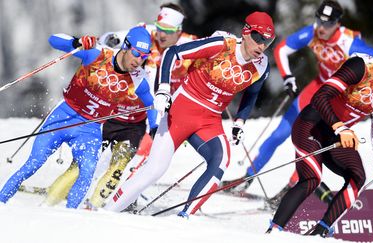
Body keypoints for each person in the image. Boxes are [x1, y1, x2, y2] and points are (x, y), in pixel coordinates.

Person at [104, 11, 275, 217]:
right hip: (183, 108)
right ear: (246, 32)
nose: (261, 46)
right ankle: (106, 212)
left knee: (221, 161)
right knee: (154, 170)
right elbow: (171, 53)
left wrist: (239, 121)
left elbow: (252, 93)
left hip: (210, 120)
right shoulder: (222, 45)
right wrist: (164, 89)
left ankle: (184, 218)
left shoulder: (262, 65)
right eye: (258, 38)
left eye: (268, 41)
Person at [223, 0, 373, 208]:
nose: (322, 27)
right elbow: (281, 50)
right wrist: (288, 78)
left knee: (311, 145)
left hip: (338, 101)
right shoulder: (313, 32)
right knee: (279, 134)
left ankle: (289, 189)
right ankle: (246, 178)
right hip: (315, 90)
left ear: (338, 23)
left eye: (328, 23)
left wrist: (371, 94)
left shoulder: (349, 42)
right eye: (319, 21)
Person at [266, 29, 373, 236]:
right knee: (311, 179)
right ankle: (273, 232)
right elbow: (320, 97)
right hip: (311, 124)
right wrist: (340, 127)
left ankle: (321, 232)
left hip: (336, 135)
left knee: (357, 177)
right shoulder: (360, 65)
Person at [42, 3, 197, 209]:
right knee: (83, 163)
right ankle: (51, 199)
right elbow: (108, 40)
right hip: (111, 114)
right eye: (159, 28)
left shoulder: (189, 43)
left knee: (119, 165)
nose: (161, 35)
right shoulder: (144, 35)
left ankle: (97, 204)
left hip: (137, 121)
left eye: (167, 31)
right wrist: (108, 41)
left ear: (178, 30)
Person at [0, 26, 157, 208]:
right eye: (137, 53)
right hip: (65, 115)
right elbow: (53, 39)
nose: (139, 60)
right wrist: (76, 42)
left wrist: (153, 126)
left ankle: (71, 217)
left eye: (145, 56)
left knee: (87, 171)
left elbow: (151, 104)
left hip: (90, 128)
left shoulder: (139, 78)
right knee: (33, 163)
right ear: (126, 46)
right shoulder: (97, 54)